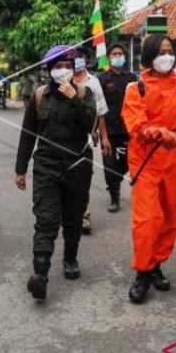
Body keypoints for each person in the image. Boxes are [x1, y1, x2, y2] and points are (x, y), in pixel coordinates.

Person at [121, 34, 176, 304]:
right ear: (148, 56)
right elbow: (137, 127)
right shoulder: (137, 89)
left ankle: (156, 263)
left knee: (169, 216)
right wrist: (165, 134)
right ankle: (143, 272)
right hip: (144, 160)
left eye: (169, 51)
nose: (166, 56)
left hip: (172, 161)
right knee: (147, 218)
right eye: (160, 52)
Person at [15, 45, 97, 300]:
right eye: (58, 67)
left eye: (68, 66)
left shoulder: (85, 93)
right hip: (46, 167)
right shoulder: (39, 96)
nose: (63, 71)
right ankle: (40, 274)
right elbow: (27, 134)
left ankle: (70, 258)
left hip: (78, 167)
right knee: (46, 219)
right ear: (49, 69)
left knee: (73, 219)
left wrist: (74, 97)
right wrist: (21, 168)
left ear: (75, 69)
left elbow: (90, 124)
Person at [73, 47, 109, 234]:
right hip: (66, 138)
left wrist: (104, 138)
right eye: (74, 57)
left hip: (87, 138)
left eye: (80, 57)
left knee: (83, 177)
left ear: (85, 60)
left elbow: (101, 112)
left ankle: (84, 216)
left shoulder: (93, 83)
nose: (77, 60)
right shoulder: (64, 80)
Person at [98, 44, 137, 213]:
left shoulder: (132, 78)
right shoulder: (102, 79)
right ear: (109, 58)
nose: (118, 56)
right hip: (109, 131)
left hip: (129, 131)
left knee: (126, 164)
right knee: (109, 165)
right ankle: (114, 196)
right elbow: (98, 109)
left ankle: (117, 179)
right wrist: (100, 133)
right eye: (114, 54)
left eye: (120, 53)